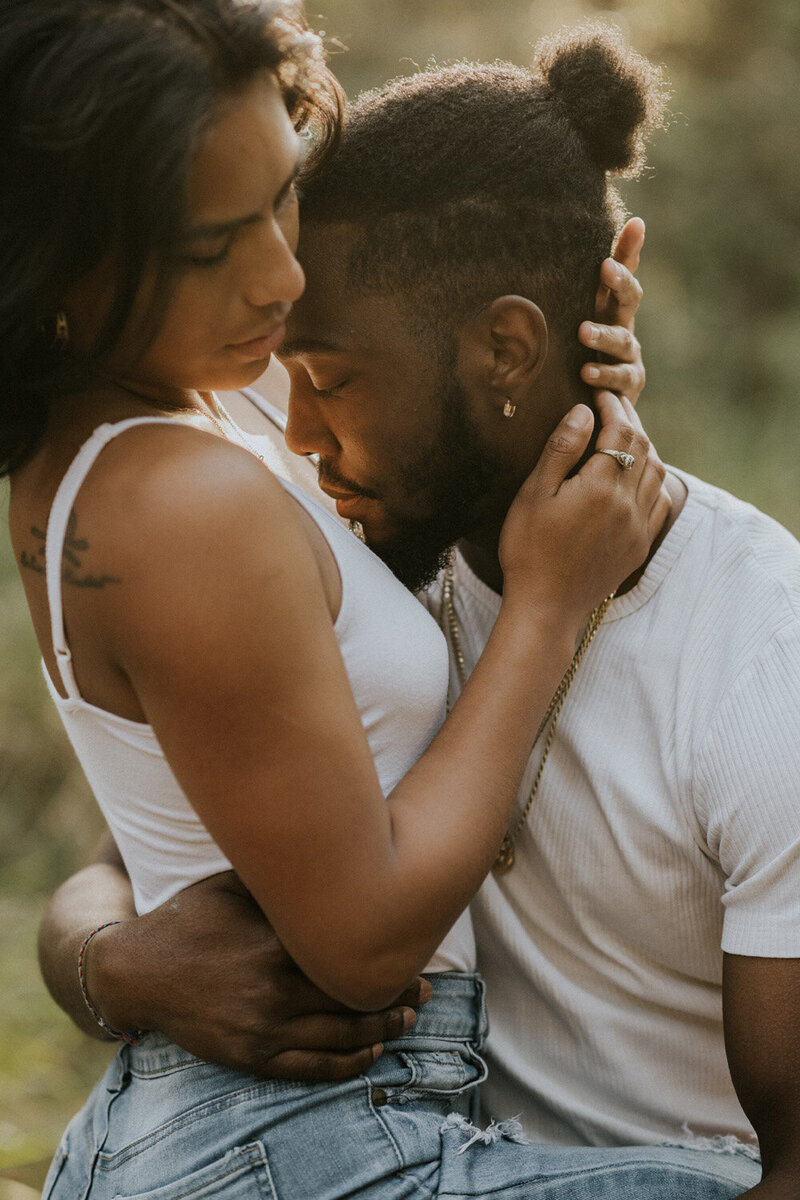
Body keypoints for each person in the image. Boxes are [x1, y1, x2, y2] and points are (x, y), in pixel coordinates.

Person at [39, 16, 800, 1200]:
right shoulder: (334, 536)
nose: (290, 431)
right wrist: (110, 965)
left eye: (329, 378)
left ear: (507, 349)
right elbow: (141, 856)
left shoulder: (760, 668)